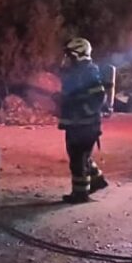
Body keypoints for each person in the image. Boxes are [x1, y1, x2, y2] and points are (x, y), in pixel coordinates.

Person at [57, 37, 109, 203]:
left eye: (70, 55)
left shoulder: (88, 72)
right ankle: (96, 180)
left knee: (78, 161)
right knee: (80, 157)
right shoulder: (76, 72)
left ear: (79, 55)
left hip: (85, 126)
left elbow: (99, 96)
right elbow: (74, 96)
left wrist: (84, 111)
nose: (67, 59)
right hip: (77, 124)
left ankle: (80, 194)